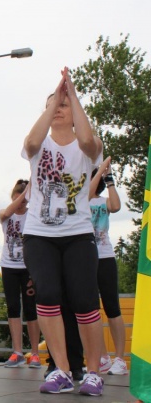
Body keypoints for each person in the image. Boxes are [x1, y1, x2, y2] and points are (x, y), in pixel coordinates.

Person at [22, 67, 105, 396]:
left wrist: (73, 95)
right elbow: (30, 141)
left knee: (85, 301)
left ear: (75, 112)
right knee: (47, 296)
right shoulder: (38, 146)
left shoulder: (88, 147)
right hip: (39, 235)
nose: (58, 107)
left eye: (64, 105)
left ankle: (94, 372)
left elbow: (86, 140)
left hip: (78, 234)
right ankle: (62, 369)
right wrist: (56, 98)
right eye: (52, 104)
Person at [0, 179, 41, 368]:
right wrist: (23, 194)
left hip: (28, 268)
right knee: (13, 308)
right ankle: (17, 352)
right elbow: (6, 213)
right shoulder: (5, 213)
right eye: (17, 199)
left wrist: (28, 195)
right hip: (9, 267)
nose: (20, 204)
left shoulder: (33, 215)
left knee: (31, 310)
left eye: (24, 200)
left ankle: (35, 353)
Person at [89, 157, 127, 376]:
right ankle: (102, 357)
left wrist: (109, 178)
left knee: (112, 308)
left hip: (105, 257)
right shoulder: (81, 200)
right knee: (91, 310)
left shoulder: (103, 202)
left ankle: (120, 359)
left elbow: (116, 206)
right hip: (86, 259)